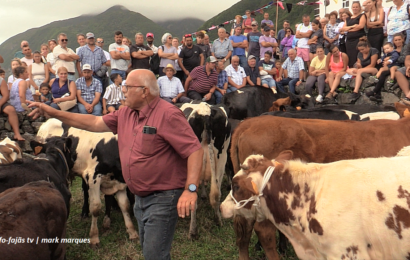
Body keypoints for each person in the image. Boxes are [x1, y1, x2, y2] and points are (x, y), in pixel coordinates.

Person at [27, 69, 203, 260]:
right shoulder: (126, 113)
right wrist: (52, 112)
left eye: (127, 87)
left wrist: (191, 189)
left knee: (155, 255)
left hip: (163, 197)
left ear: (144, 91)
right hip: (141, 197)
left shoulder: (168, 115)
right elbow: (93, 122)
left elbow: (194, 150)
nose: (123, 91)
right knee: (151, 252)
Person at [344, 1, 367, 68]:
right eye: (354, 7)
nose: (355, 8)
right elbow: (343, 29)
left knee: (357, 54)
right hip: (349, 40)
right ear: (351, 8)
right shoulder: (348, 18)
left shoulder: (362, 16)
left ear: (359, 8)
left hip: (358, 39)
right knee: (350, 55)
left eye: (356, 7)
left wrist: (348, 29)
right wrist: (352, 26)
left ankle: (358, 69)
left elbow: (360, 26)